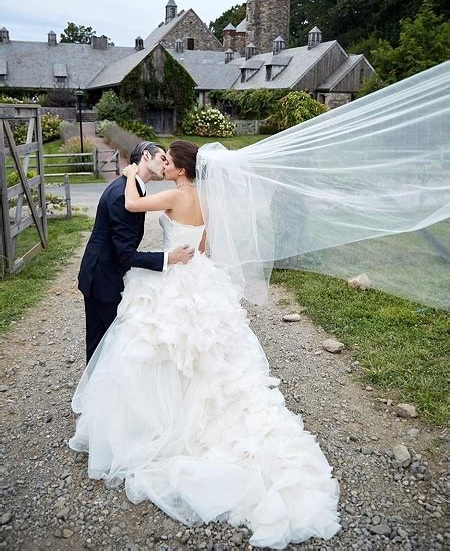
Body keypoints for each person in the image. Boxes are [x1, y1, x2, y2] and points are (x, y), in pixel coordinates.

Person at [70, 140, 341, 549]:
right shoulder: (203, 198)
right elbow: (201, 247)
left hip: (176, 275)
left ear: (179, 170)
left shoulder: (175, 193)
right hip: (197, 271)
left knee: (163, 345)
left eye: (168, 161)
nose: (164, 165)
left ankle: (155, 416)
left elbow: (130, 205)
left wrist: (129, 174)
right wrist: (186, 258)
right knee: (205, 348)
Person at [78, 141, 195, 363]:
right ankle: (98, 394)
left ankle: (98, 392)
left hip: (104, 273)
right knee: (109, 344)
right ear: (146, 157)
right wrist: (169, 258)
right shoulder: (123, 194)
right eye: (163, 158)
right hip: (103, 279)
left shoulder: (132, 188)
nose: (166, 163)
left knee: (104, 344)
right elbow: (126, 255)